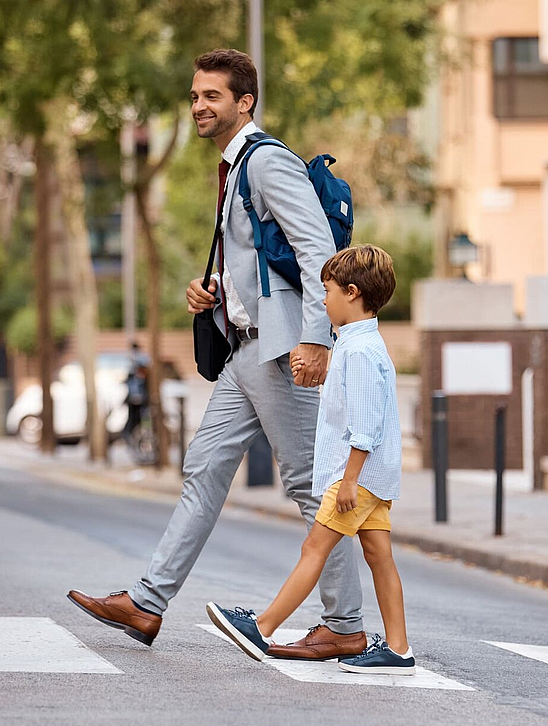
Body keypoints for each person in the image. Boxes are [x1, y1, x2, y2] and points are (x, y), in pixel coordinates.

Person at [67, 49, 365, 659]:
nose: (199, 106)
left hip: (279, 351)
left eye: (212, 97)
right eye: (195, 96)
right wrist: (215, 293)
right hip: (247, 350)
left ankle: (346, 623)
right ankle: (148, 603)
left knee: (310, 484)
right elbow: (260, 263)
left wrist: (316, 337)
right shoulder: (235, 169)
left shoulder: (266, 162)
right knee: (203, 471)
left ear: (244, 102)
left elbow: (316, 252)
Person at [206, 245, 415, 675]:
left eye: (328, 291)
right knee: (379, 556)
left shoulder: (357, 353)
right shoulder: (365, 345)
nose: (322, 301)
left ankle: (261, 628)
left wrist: (350, 480)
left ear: (352, 293)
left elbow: (364, 425)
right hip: (375, 476)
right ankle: (399, 649)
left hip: (356, 477)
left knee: (313, 548)